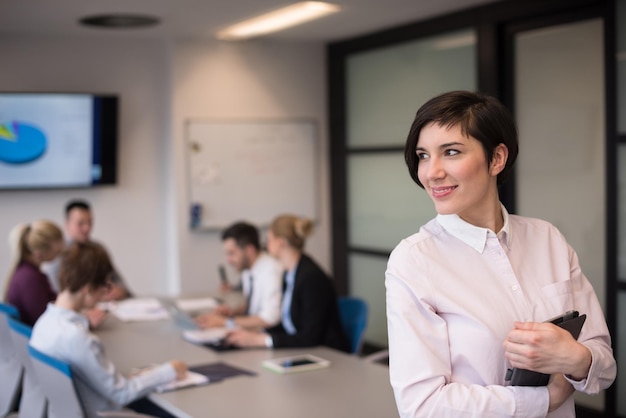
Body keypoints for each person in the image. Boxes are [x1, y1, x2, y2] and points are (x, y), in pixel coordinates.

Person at [385, 90, 616, 417]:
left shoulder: (547, 239)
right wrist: (545, 400)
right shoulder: (414, 261)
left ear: (496, 158)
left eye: (451, 152)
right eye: (423, 155)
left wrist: (575, 358)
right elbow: (423, 407)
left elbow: (604, 366)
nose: (431, 172)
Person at [30, 241, 187, 418]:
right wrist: (170, 370)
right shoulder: (78, 338)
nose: (104, 293)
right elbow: (121, 393)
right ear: (87, 289)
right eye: (104, 286)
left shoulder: (43, 324)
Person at [226, 215, 350, 352]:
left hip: (327, 354)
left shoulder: (311, 278)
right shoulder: (290, 273)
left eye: (269, 240)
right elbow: (287, 324)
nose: (266, 245)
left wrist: (261, 340)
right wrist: (254, 334)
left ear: (280, 243)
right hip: (302, 350)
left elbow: (310, 337)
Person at [194, 221, 283, 330]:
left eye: (232, 253)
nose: (228, 260)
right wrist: (232, 313)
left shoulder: (271, 270)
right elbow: (253, 307)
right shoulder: (248, 270)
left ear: (249, 250)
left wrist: (226, 322)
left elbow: (270, 318)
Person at [41, 199, 130, 300]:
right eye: (81, 223)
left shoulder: (98, 250)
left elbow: (117, 279)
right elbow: (55, 292)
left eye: (90, 223)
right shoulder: (57, 253)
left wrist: (121, 290)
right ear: (67, 224)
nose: (87, 228)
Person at [4, 220, 64, 326]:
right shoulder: (29, 279)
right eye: (57, 252)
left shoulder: (28, 272)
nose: (60, 254)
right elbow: (44, 321)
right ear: (39, 254)